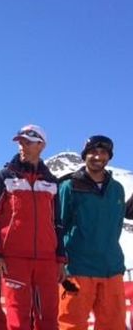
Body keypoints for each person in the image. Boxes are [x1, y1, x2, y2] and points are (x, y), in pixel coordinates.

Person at [0, 124, 66, 329]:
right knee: (18, 318)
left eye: (27, 142)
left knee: (48, 318)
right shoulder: (4, 177)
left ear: (41, 145)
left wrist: (61, 260)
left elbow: (58, 224)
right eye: (20, 142)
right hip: (14, 259)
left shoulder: (52, 182)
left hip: (47, 260)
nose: (22, 147)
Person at [58, 135, 126, 330]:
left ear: (109, 156)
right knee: (71, 325)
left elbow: (116, 226)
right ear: (84, 155)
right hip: (78, 268)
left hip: (111, 267)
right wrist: (60, 262)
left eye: (103, 152)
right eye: (93, 152)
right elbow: (58, 226)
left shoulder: (117, 189)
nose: (98, 156)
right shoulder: (69, 186)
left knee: (114, 325)